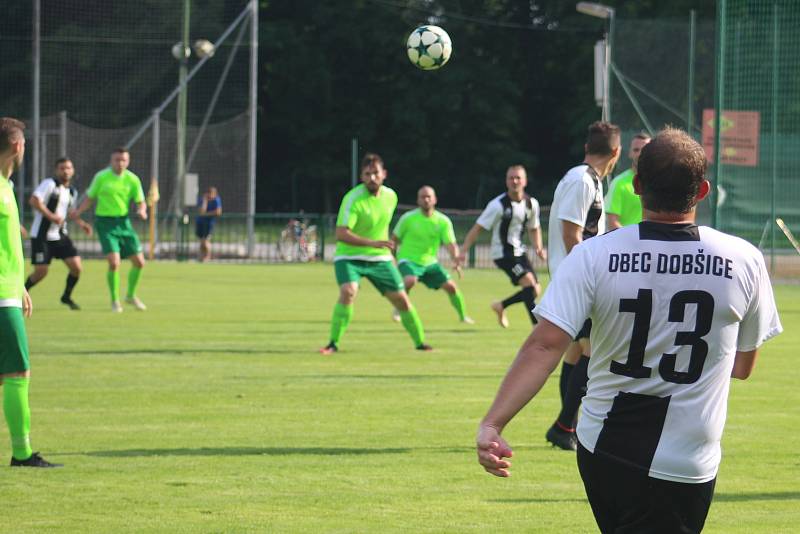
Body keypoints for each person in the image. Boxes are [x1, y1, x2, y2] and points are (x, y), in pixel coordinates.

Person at [476, 127, 782, 533]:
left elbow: (543, 346)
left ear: (636, 186)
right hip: (686, 456)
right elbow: (742, 367)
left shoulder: (593, 255)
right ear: (704, 191)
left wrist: (493, 423)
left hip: (604, 446)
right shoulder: (743, 259)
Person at [545, 121, 621, 451]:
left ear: (586, 147)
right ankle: (564, 426)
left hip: (575, 281)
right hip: (578, 284)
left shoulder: (588, 179)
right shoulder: (581, 180)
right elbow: (571, 235)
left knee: (576, 353)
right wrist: (593, 278)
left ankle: (567, 426)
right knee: (593, 352)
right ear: (616, 152)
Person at [319, 153, 431, 354]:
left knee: (401, 299)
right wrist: (373, 243)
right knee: (348, 291)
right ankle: (333, 344)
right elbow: (341, 233)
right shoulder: (353, 198)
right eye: (367, 174)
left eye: (375, 173)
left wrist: (386, 252)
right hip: (349, 257)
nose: (372, 178)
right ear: (361, 176)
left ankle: (421, 343)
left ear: (384, 174)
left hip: (379, 259)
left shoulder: (391, 197)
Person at [0, 117, 61, 467]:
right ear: (18, 147)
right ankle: (22, 454)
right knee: (17, 372)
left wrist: (20, 285)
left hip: (9, 291)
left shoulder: (6, 187)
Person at [459, 165, 545, 328]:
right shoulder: (497, 205)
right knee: (528, 281)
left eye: (518, 178)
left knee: (535, 290)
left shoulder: (531, 204)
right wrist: (463, 251)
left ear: (525, 181)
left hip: (520, 252)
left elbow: (534, 227)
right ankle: (536, 326)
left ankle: (501, 305)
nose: (514, 181)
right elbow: (477, 227)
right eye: (511, 178)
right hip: (502, 253)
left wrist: (538, 247)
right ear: (506, 181)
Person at [73, 147, 147, 312]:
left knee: (140, 262)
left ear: (128, 161)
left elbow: (140, 200)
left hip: (123, 223)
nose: (120, 163)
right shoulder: (101, 177)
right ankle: (115, 301)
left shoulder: (132, 179)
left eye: (124, 160)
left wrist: (142, 210)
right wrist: (78, 211)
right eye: (117, 160)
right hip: (105, 223)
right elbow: (90, 197)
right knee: (114, 262)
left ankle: (130, 295)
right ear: (111, 160)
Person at [391, 185, 472, 324]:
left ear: (435, 199)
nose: (426, 199)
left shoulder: (443, 221)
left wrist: (456, 260)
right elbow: (394, 240)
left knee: (451, 287)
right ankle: (399, 308)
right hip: (408, 260)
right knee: (410, 280)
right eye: (423, 197)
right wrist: (392, 259)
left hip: (430, 263)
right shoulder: (408, 218)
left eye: (429, 197)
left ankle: (463, 317)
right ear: (418, 200)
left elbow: (450, 244)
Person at [24, 157, 93, 310]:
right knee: (41, 272)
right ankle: (22, 293)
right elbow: (35, 201)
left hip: (60, 236)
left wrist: (82, 224)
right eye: (62, 168)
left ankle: (66, 296)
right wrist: (51, 216)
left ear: (73, 170)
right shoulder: (49, 184)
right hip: (41, 236)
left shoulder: (72, 191)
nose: (65, 171)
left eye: (68, 168)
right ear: (56, 170)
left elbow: (68, 212)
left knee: (76, 267)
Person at [606, 132, 651, 229]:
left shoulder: (662, 181)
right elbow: (612, 223)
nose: (640, 153)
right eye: (636, 150)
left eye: (644, 150)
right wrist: (633, 241)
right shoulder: (618, 183)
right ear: (630, 153)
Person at [196, 186, 221, 262]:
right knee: (201, 241)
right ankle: (201, 257)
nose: (210, 196)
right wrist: (205, 201)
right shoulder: (203, 199)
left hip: (209, 224)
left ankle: (207, 257)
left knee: (205, 241)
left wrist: (206, 214)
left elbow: (218, 212)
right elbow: (201, 211)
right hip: (200, 222)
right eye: (209, 194)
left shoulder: (216, 200)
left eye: (212, 194)